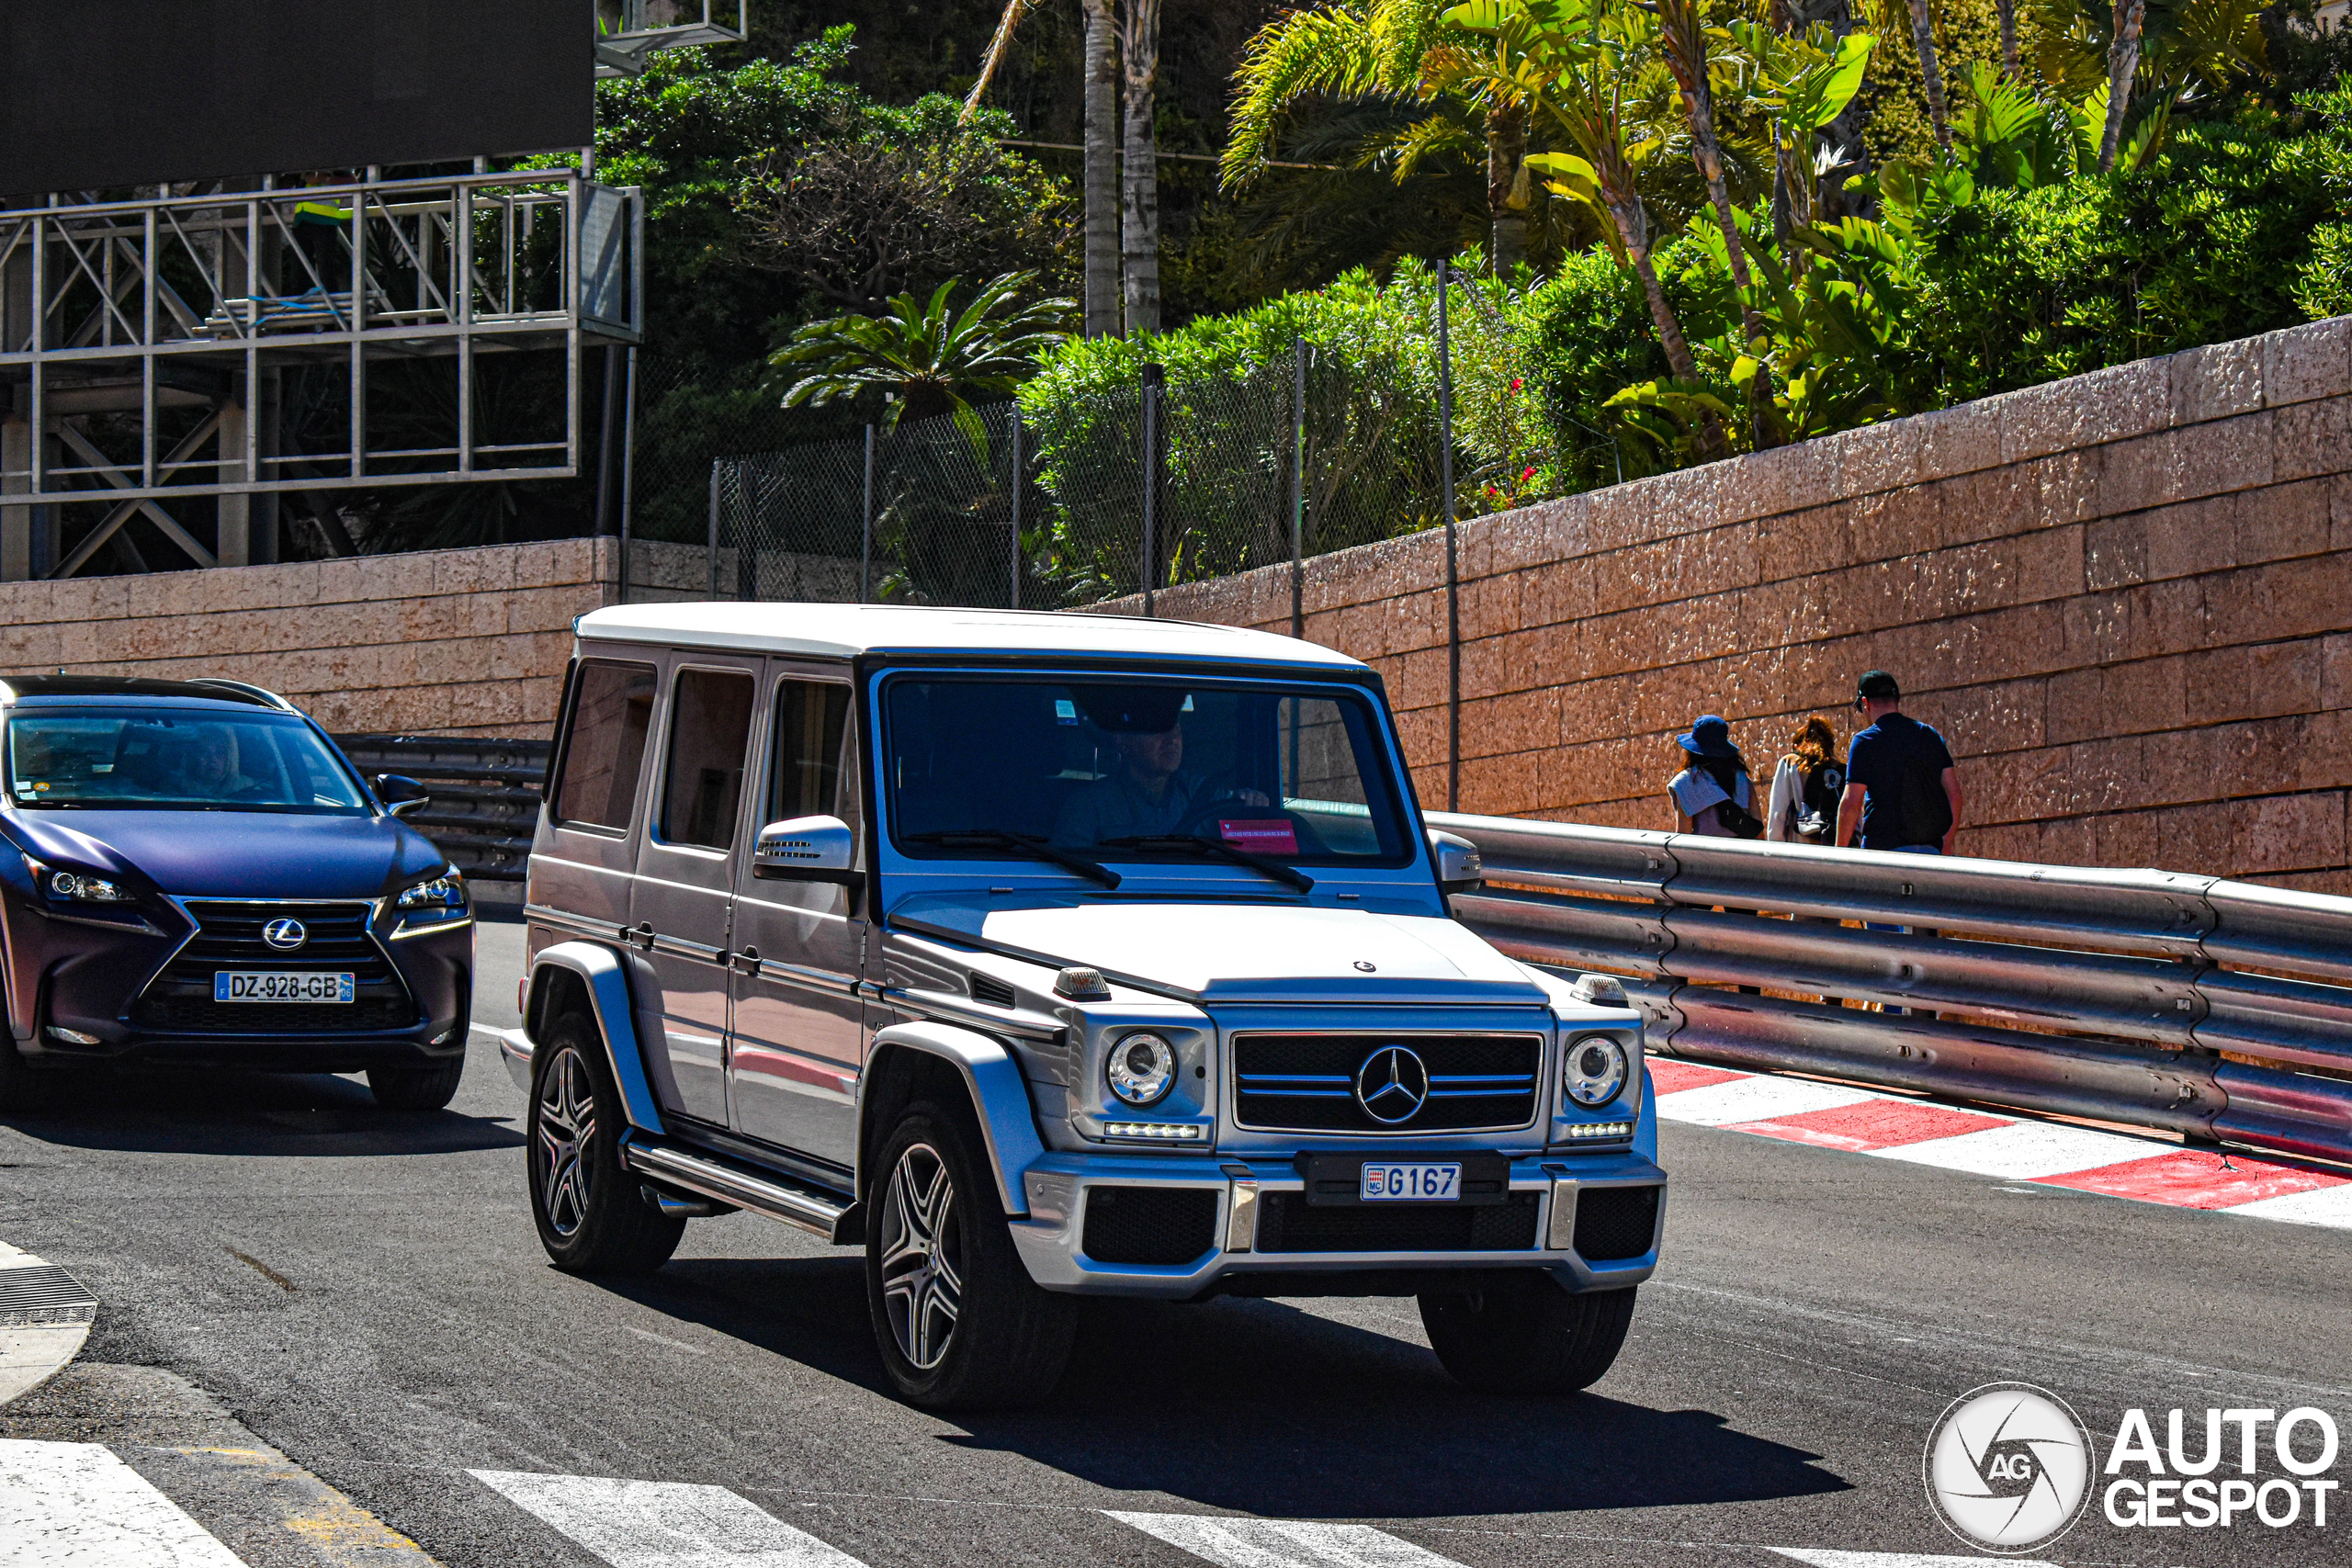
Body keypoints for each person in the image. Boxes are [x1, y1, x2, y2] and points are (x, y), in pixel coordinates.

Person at [1050, 687, 1265, 846]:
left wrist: (1251, 803)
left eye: (1176, 727)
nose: (1172, 739)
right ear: (1125, 742)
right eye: (1158, 729)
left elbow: (1240, 823)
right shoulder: (1089, 807)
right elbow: (1072, 873)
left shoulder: (1202, 793)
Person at [1836, 671, 1963, 855]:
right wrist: (1946, 843)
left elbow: (1851, 804)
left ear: (1865, 703)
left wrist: (1839, 854)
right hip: (1931, 852)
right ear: (1897, 699)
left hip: (1884, 853)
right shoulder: (1929, 735)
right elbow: (1955, 795)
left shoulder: (1865, 741)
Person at [1667, 715, 1758, 837]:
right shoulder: (1742, 780)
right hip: (1741, 854)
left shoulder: (1686, 782)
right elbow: (1759, 832)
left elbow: (1684, 835)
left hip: (1704, 854)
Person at [1766, 716, 1846, 844]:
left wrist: (1774, 849)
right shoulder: (1842, 769)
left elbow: (1778, 814)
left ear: (1798, 746)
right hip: (1834, 846)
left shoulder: (1790, 764)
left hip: (1801, 848)